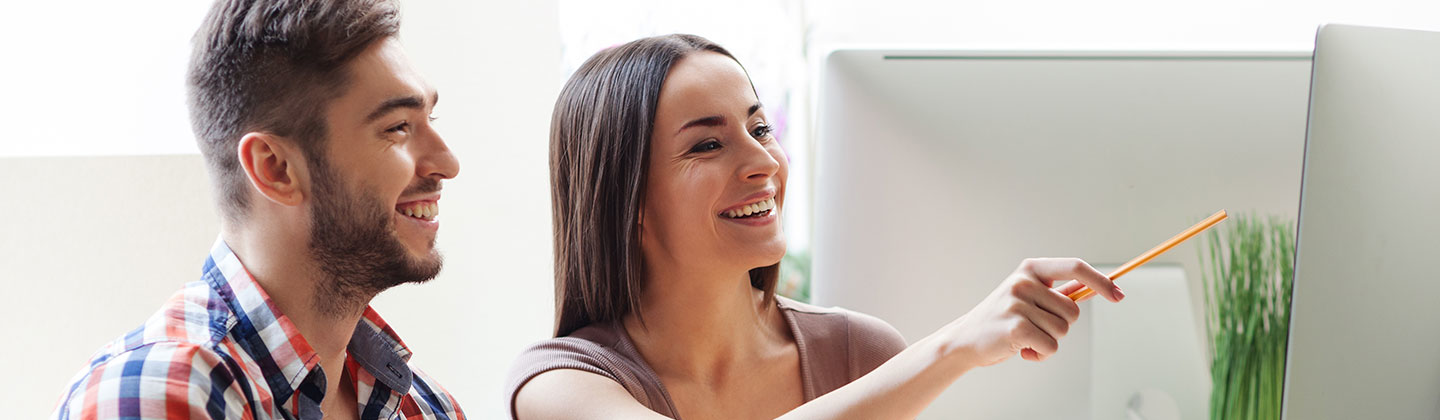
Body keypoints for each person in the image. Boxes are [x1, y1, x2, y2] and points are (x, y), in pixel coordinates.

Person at [506, 34, 1126, 419]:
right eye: (707, 145)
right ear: (627, 198)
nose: (763, 162)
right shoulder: (561, 386)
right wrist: (956, 345)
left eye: (760, 128)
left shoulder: (859, 354)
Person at [49, 1, 465, 418]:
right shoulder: (155, 393)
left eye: (432, 117)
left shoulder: (427, 407)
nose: (447, 163)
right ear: (275, 168)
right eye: (397, 127)